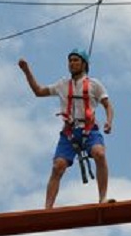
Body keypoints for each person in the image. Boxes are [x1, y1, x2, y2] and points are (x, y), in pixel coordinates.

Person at [18, 49, 114, 208]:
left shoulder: (94, 85)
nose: (72, 63)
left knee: (99, 153)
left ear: (84, 64)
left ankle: (102, 197)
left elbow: (108, 105)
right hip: (69, 133)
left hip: (89, 129)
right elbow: (38, 91)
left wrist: (109, 121)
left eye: (76, 60)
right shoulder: (63, 84)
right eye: (70, 60)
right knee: (58, 166)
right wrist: (26, 71)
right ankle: (47, 208)